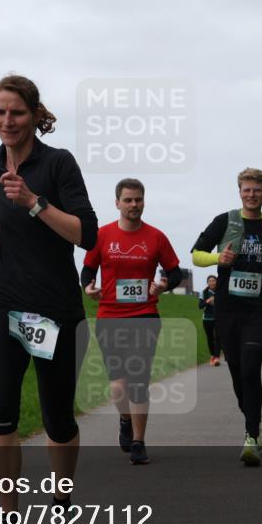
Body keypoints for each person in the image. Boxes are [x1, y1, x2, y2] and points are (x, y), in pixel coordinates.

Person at [0, 75, 98, 524]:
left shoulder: (58, 163)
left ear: (33, 113)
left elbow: (86, 234)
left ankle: (61, 514)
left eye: (16, 113)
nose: (7, 122)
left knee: (57, 421)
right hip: (5, 301)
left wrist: (34, 203)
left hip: (56, 308)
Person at [191, 168, 262, 466]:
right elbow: (196, 254)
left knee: (251, 367)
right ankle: (254, 422)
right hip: (227, 308)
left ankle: (251, 436)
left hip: (259, 308)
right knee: (236, 369)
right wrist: (216, 258)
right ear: (239, 192)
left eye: (257, 190)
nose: (252, 195)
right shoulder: (224, 221)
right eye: (247, 190)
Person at [82, 178, 182, 465]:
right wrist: (89, 287)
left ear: (144, 202)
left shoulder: (156, 237)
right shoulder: (102, 236)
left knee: (138, 381)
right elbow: (87, 270)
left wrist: (164, 284)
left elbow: (174, 271)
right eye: (128, 200)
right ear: (117, 203)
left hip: (145, 316)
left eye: (138, 200)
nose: (133, 205)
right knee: (118, 386)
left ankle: (138, 442)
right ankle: (125, 419)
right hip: (109, 316)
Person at [199, 275, 220, 367]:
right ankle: (212, 356)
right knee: (210, 338)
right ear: (207, 283)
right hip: (207, 318)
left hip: (218, 318)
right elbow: (200, 306)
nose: (212, 282)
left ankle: (216, 358)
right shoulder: (204, 292)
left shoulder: (220, 291)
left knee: (218, 337)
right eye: (210, 281)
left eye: (213, 281)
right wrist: (208, 301)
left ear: (216, 282)